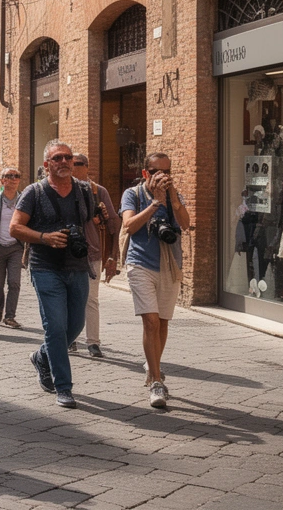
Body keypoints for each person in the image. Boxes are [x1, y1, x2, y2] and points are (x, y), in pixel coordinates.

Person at [9, 140, 95, 409]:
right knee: (56, 327)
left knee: (76, 325)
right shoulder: (34, 193)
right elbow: (14, 228)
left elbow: (89, 223)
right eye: (57, 158)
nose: (64, 162)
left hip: (78, 267)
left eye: (68, 157)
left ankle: (42, 356)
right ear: (47, 165)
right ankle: (64, 387)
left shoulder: (84, 191)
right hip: (45, 267)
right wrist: (44, 237)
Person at [120, 151, 189, 409]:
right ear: (145, 173)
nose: (164, 176)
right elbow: (129, 226)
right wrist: (155, 204)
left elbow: (186, 224)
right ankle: (157, 382)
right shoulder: (133, 194)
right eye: (158, 171)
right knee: (150, 321)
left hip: (169, 265)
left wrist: (171, 199)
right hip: (140, 264)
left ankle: (152, 367)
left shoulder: (174, 196)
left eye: (168, 172)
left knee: (161, 322)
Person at [71, 154, 116, 358]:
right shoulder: (63, 190)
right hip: (67, 253)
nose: (72, 167)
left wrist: (113, 256)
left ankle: (93, 342)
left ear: (87, 167)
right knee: (69, 298)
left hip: (93, 253)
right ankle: (69, 338)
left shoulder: (99, 192)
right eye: (70, 163)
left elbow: (115, 224)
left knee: (91, 299)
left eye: (77, 164)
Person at [0, 167, 27, 329]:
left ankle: (10, 316)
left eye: (16, 176)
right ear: (2, 180)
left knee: (14, 282)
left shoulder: (24, 199)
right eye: (9, 176)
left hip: (16, 247)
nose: (13, 179)